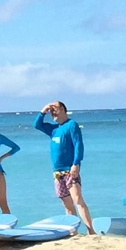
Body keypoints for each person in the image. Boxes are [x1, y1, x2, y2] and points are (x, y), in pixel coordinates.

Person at [34, 100, 94, 233]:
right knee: (67, 204)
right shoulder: (53, 129)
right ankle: (74, 232)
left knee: (78, 199)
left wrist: (76, 163)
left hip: (70, 169)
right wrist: (43, 110)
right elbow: (36, 124)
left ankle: (91, 231)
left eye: (54, 108)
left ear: (63, 109)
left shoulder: (71, 125)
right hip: (57, 173)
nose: (52, 112)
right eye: (50, 110)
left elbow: (78, 145)